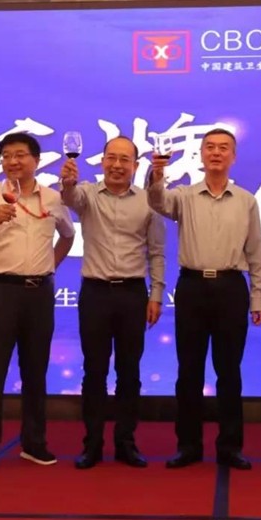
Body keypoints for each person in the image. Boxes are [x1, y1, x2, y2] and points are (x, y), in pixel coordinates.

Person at [148, 128, 261, 470]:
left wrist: (258, 297)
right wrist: (157, 174)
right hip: (192, 288)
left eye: (223, 148)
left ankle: (230, 447)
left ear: (233, 157)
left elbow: (255, 251)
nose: (216, 153)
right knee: (189, 370)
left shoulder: (246, 200)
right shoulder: (183, 196)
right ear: (201, 155)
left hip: (231, 289)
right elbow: (156, 201)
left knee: (229, 371)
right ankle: (188, 446)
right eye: (210, 147)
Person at [0, 132, 75, 473]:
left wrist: (48, 267)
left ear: (36, 160)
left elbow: (68, 236)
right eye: (7, 155)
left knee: (36, 370)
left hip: (39, 294)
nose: (13, 161)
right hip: (0, 291)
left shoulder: (52, 198)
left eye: (20, 154)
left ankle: (34, 442)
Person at [60, 136, 165, 469]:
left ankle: (125, 443)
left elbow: (157, 252)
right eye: (111, 158)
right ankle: (91, 444)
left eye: (125, 160)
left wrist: (156, 294)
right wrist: (67, 182)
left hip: (133, 294)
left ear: (135, 165)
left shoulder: (149, 201)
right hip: (95, 294)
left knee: (129, 372)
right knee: (94, 371)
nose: (117, 165)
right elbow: (69, 198)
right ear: (102, 160)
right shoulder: (87, 194)